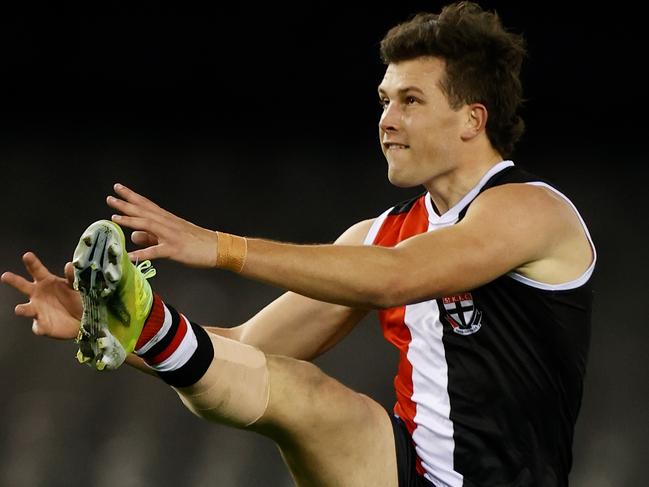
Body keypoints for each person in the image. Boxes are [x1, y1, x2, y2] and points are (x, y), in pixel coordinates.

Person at [2, 2, 596, 486]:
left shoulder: (530, 210)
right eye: (384, 101)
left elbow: (397, 276)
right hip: (406, 475)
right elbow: (244, 350)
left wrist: (219, 247)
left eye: (410, 101)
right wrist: (109, 323)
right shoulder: (377, 236)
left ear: (472, 119)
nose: (386, 120)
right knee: (300, 390)